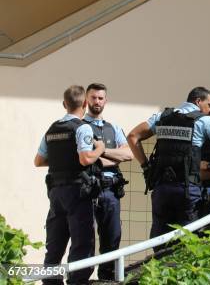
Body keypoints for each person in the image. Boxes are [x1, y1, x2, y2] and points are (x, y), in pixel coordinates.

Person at [127, 87, 210, 244]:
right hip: (187, 189)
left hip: (161, 188)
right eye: (209, 105)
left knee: (160, 239)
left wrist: (146, 167)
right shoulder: (203, 121)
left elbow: (133, 136)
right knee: (187, 241)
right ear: (198, 101)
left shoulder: (162, 116)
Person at [34, 85, 105, 285]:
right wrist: (100, 148)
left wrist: (61, 161)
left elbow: (38, 161)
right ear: (85, 103)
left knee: (55, 242)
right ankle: (77, 281)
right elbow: (85, 159)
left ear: (64, 104)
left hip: (56, 192)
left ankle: (50, 282)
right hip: (77, 191)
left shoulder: (52, 128)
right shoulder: (83, 127)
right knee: (82, 242)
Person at [84, 83, 132, 280]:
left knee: (112, 237)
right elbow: (83, 158)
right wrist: (112, 156)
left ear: (106, 101)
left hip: (111, 190)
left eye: (100, 98)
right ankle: (81, 278)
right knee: (84, 238)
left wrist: (100, 151)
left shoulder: (113, 128)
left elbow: (128, 154)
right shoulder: (80, 126)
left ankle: (107, 278)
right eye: (94, 97)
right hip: (88, 189)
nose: (97, 101)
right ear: (87, 99)